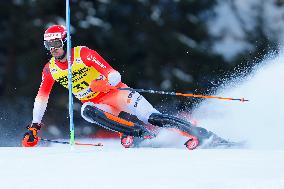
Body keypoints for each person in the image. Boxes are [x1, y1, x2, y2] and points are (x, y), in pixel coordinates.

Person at [22, 25, 226, 149]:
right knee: (86, 110)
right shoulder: (50, 69)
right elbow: (42, 98)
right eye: (49, 45)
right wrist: (34, 126)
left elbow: (114, 74)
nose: (53, 49)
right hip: (98, 105)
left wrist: (103, 83)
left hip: (117, 93)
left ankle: (203, 135)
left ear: (65, 41)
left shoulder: (83, 54)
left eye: (57, 43)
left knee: (154, 117)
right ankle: (136, 133)